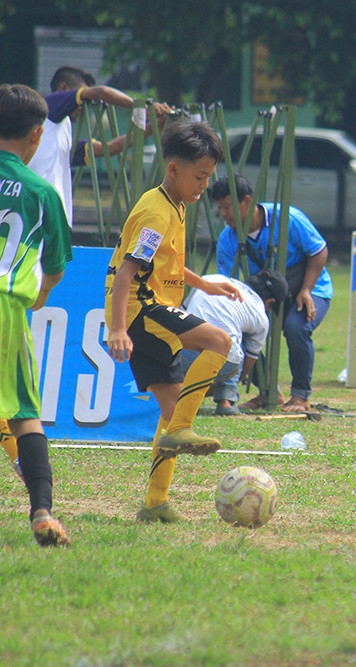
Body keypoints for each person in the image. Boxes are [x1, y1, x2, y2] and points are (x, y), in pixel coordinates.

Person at [105, 119, 240, 524]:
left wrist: (207, 285)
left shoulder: (176, 204)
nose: (204, 185)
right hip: (142, 309)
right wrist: (116, 328)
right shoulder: (155, 213)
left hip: (151, 307)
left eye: (209, 177)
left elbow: (171, 264)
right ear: (173, 169)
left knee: (170, 411)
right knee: (219, 341)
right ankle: (182, 430)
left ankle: (155, 503)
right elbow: (127, 273)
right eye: (199, 176)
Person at [0, 83, 74, 546]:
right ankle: (42, 513)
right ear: (35, 136)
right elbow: (55, 268)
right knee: (25, 412)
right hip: (7, 303)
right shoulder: (42, 191)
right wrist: (39, 294)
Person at [211, 174, 333, 413]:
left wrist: (307, 290)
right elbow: (229, 283)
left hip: (309, 287)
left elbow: (319, 251)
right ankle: (269, 391)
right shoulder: (227, 239)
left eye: (227, 207)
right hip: (265, 297)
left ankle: (300, 396)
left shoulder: (289, 218)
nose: (223, 214)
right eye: (220, 208)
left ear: (247, 201)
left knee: (296, 327)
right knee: (243, 333)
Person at [27, 65, 170, 226]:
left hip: (57, 215)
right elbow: (101, 92)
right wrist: (141, 107)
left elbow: (110, 148)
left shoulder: (59, 133)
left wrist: (155, 126)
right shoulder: (48, 106)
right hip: (38, 210)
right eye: (83, 97)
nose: (84, 105)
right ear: (63, 88)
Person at [177, 269, 287, 416]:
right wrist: (236, 378)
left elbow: (180, 312)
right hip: (223, 363)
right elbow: (249, 361)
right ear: (270, 302)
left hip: (180, 353)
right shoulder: (261, 316)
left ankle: (179, 392)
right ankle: (225, 401)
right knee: (236, 340)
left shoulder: (211, 278)